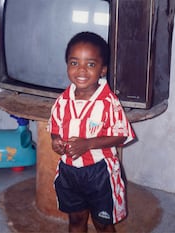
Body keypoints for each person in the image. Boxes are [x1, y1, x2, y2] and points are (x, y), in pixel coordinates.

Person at [48, 31, 135, 232]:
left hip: (100, 172)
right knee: (76, 220)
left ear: (102, 70)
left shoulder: (108, 102)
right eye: (74, 63)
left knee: (103, 223)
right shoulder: (63, 100)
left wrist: (88, 144)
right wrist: (55, 140)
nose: (81, 70)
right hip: (69, 172)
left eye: (90, 64)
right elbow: (54, 126)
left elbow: (121, 134)